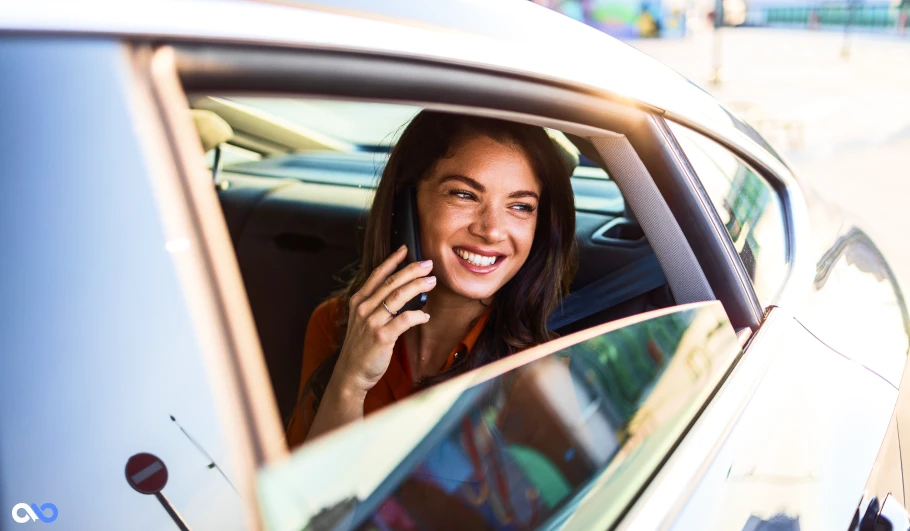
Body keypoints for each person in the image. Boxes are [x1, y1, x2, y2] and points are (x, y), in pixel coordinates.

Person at [286, 111, 578, 448]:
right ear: (406, 202)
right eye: (464, 195)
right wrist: (350, 382)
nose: (492, 230)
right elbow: (303, 495)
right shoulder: (338, 323)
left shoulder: (537, 377)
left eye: (521, 206)